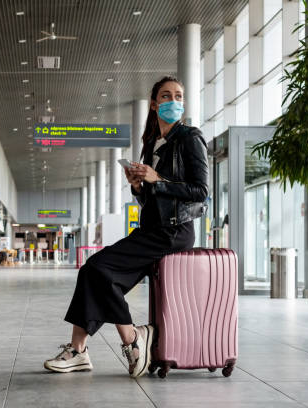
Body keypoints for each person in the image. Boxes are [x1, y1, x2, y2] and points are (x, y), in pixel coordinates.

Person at [43, 76, 209, 378]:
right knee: (94, 273)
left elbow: (201, 192)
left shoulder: (189, 138)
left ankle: (133, 340)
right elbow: (151, 200)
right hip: (152, 229)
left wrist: (157, 179)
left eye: (179, 96)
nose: (174, 101)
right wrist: (137, 187)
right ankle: (79, 351)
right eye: (166, 96)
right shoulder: (152, 143)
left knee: (96, 268)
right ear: (155, 103)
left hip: (173, 232)